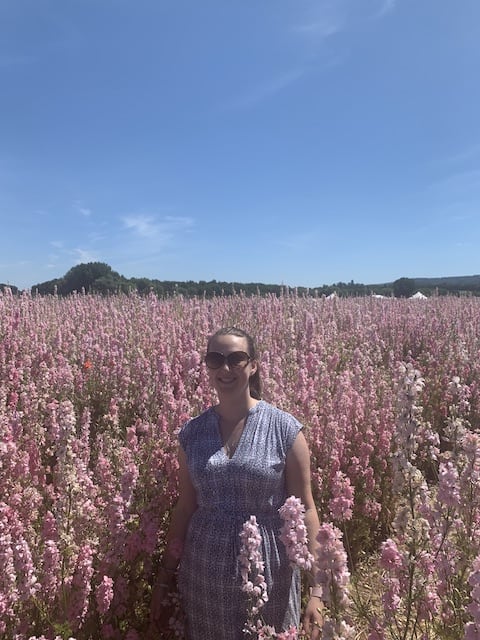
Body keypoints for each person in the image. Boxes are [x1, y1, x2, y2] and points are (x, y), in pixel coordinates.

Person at [150, 327, 324, 639]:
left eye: (236, 359)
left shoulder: (285, 429)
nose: (225, 368)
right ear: (206, 365)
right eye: (215, 359)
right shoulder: (192, 433)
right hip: (204, 575)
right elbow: (186, 507)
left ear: (253, 365)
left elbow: (306, 509)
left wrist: (318, 589)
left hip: (269, 572)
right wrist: (164, 577)